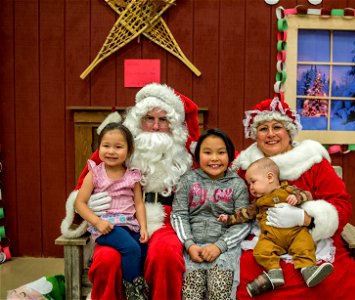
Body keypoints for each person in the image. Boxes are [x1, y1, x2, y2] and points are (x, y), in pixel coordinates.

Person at [231, 98, 355, 299]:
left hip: (313, 241)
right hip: (264, 240)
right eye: (263, 129)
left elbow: (342, 205)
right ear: (255, 135)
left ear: (289, 131)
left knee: (340, 283)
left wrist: (304, 217)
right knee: (245, 280)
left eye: (277, 127)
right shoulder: (245, 167)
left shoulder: (312, 161)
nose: (270, 134)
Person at [60, 83, 200, 300]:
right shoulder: (118, 146)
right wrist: (89, 207)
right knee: (107, 258)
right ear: (138, 120)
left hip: (168, 219)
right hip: (117, 222)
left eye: (162, 120)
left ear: (173, 125)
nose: (155, 126)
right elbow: (81, 191)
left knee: (166, 253)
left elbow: (216, 172)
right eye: (149, 118)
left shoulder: (185, 153)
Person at [218, 157, 333, 297]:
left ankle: (308, 270)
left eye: (253, 182)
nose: (251, 188)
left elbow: (307, 194)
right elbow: (245, 214)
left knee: (304, 243)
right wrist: (229, 218)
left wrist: (298, 198)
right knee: (261, 250)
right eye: (249, 184)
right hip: (271, 238)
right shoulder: (258, 203)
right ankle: (274, 273)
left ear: (270, 177)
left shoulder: (288, 189)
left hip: (295, 233)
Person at [171, 128, 250, 299]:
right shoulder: (188, 181)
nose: (214, 158)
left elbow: (243, 222)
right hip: (193, 247)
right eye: (208, 152)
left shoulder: (237, 184)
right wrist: (189, 244)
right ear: (198, 156)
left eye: (221, 153)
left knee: (219, 288)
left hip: (224, 248)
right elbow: (179, 215)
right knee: (191, 290)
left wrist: (219, 246)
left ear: (229, 155)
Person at [74, 123, 149, 299]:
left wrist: (144, 227)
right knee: (131, 248)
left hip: (129, 225)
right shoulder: (95, 174)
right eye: (106, 146)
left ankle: (135, 285)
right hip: (107, 226)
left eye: (118, 147)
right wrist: (97, 222)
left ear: (129, 150)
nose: (111, 151)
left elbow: (138, 204)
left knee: (143, 248)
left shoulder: (132, 176)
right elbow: (80, 203)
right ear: (98, 147)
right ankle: (134, 292)